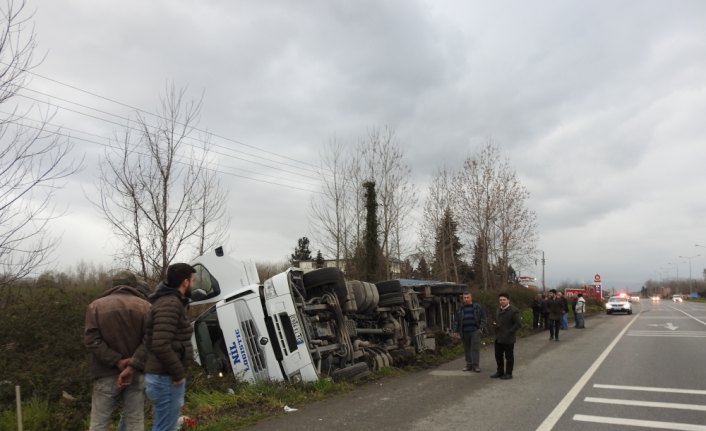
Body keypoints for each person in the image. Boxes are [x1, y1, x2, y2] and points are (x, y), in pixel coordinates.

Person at [120, 263, 196, 431]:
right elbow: (160, 344)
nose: (193, 284)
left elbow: (148, 340)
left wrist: (132, 367)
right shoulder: (170, 304)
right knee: (164, 428)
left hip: (162, 377)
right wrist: (178, 373)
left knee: (164, 426)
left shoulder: (168, 302)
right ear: (185, 282)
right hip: (165, 378)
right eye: (192, 280)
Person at [84, 270, 151, 431]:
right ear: (133, 285)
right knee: (134, 423)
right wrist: (132, 365)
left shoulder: (95, 306)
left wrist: (116, 361)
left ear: (113, 285)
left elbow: (91, 340)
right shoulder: (146, 307)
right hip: (136, 374)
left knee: (99, 424)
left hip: (104, 373)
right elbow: (150, 341)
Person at [453, 293, 487, 372]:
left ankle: (475, 366)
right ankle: (469, 365)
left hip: (475, 331)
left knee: (475, 349)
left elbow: (484, 318)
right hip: (464, 331)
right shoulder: (460, 309)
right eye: (464, 298)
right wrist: (455, 330)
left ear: (471, 298)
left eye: (468, 297)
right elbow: (456, 321)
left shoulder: (477, 307)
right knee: (467, 349)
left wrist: (480, 328)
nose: (466, 299)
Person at [490, 292, 521, 380]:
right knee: (498, 356)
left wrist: (509, 331)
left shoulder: (514, 310)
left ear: (508, 300)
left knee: (509, 357)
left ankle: (508, 373)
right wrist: (495, 325)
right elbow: (497, 321)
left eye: (504, 300)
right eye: (500, 300)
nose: (502, 301)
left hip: (508, 338)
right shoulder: (498, 310)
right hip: (498, 337)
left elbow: (518, 324)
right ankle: (500, 372)